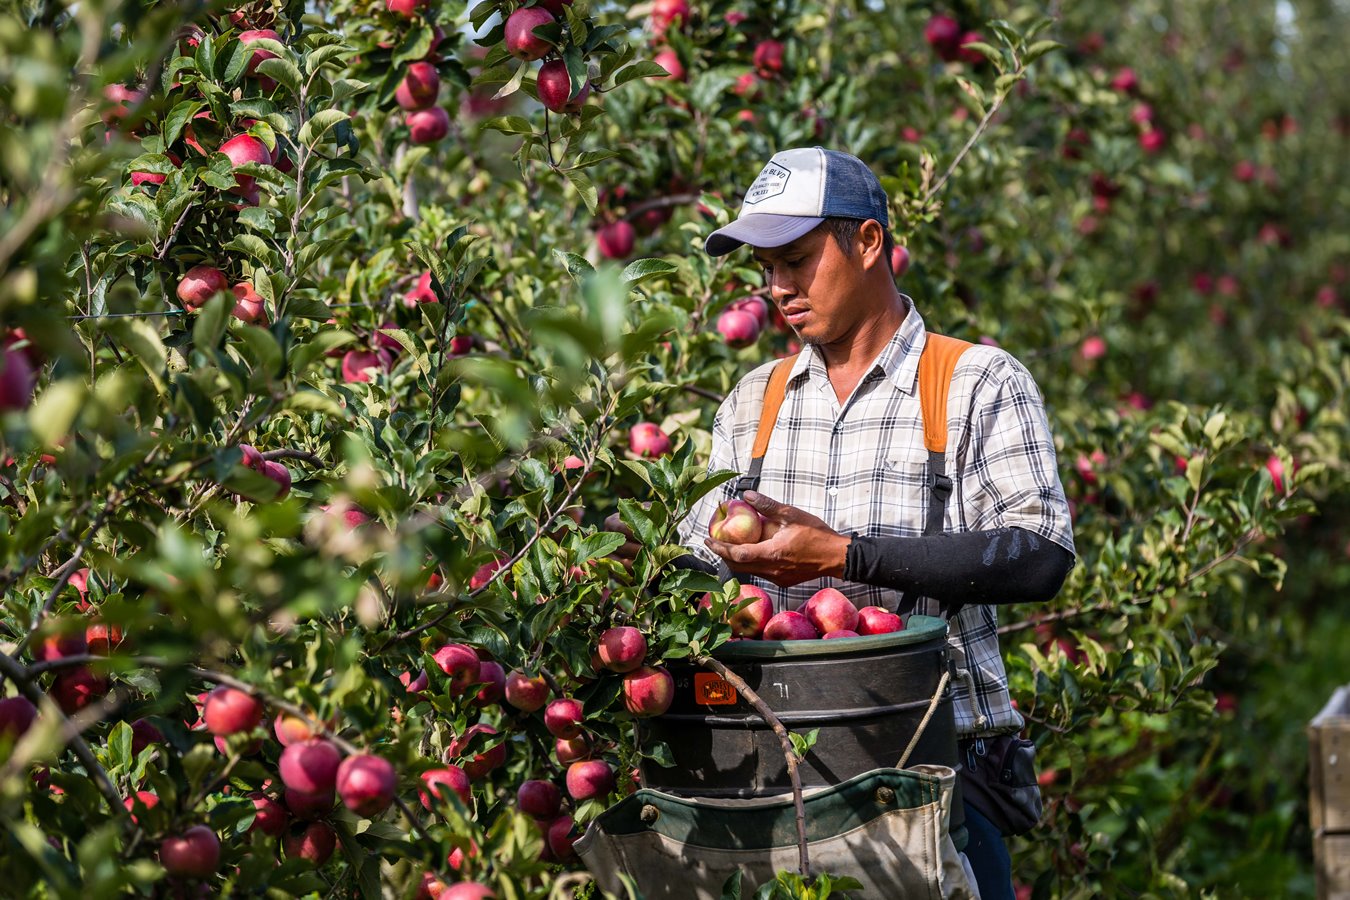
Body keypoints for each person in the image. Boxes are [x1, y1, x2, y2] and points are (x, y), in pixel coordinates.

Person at [612, 147, 1076, 899]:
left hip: (934, 788)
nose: (778, 289)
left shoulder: (974, 382)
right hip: (772, 789)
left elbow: (1040, 555)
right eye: (766, 268)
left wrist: (845, 555)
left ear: (868, 242)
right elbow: (697, 569)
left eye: (796, 260)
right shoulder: (752, 403)